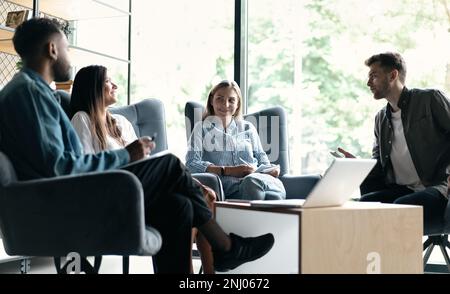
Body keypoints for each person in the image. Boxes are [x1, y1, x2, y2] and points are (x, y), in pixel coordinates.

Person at [0, 18, 275, 274]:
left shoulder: (35, 92)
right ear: (52, 49)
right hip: (66, 200)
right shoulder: (29, 94)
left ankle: (219, 251)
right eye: (66, 47)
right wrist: (125, 154)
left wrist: (186, 185)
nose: (69, 55)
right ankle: (225, 247)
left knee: (177, 205)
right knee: (168, 164)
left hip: (74, 192)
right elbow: (60, 167)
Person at [69, 65, 216, 274]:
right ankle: (223, 248)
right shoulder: (82, 119)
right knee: (193, 192)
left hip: (143, 192)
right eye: (108, 81)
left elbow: (145, 165)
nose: (115, 85)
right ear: (93, 88)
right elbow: (86, 171)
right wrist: (129, 155)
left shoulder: (121, 122)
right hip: (115, 198)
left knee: (182, 203)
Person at [338, 52, 450, 227]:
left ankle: (399, 254)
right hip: (403, 190)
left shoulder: (430, 99)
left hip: (439, 187)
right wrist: (358, 165)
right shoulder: (380, 118)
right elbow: (379, 163)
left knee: (399, 208)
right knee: (363, 205)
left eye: (374, 76)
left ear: (393, 75)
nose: (368, 83)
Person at [186, 80, 286, 200]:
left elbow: (263, 161)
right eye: (220, 99)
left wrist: (271, 170)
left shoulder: (248, 128)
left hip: (259, 180)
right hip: (232, 189)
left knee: (271, 190)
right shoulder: (201, 129)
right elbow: (191, 164)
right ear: (212, 100)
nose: (225, 105)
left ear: (238, 104)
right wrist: (228, 170)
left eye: (231, 100)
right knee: (252, 183)